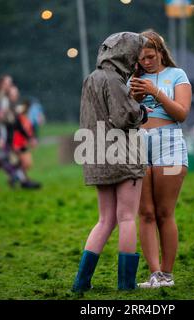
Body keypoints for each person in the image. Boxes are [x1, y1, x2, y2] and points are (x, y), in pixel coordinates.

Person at [72, 32, 150, 292]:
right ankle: (127, 284)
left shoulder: (90, 79)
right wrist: (142, 111)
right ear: (126, 55)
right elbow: (123, 117)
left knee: (105, 220)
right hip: (123, 157)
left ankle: (81, 283)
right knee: (127, 217)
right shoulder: (114, 80)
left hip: (95, 156)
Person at [129, 30, 192, 288]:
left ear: (161, 52)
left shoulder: (177, 76)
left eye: (151, 56)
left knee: (165, 212)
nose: (146, 62)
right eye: (141, 58)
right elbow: (125, 117)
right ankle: (154, 274)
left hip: (170, 142)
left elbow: (181, 113)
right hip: (139, 142)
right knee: (145, 213)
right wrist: (134, 99)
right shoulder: (134, 80)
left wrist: (156, 92)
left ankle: (167, 274)